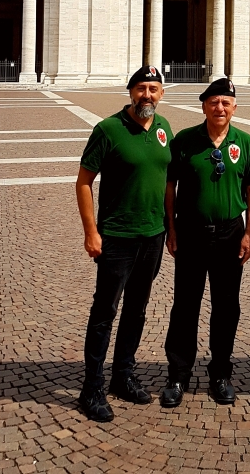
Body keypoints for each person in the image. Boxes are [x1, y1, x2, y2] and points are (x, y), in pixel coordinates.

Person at [75, 65, 173, 422]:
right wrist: (91, 231)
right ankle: (92, 386)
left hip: (153, 234)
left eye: (154, 89)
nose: (148, 95)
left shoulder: (163, 129)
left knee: (137, 308)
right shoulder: (108, 129)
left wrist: (170, 228)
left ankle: (123, 375)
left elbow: (166, 182)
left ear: (161, 94)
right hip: (117, 235)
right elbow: (84, 182)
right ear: (131, 92)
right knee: (105, 311)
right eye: (142, 89)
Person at [161, 78, 250, 408]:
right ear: (203, 105)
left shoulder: (245, 142)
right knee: (185, 305)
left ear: (234, 107)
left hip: (230, 233)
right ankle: (178, 373)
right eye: (214, 102)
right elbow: (170, 185)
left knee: (226, 307)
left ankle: (220, 372)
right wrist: (171, 228)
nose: (220, 108)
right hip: (190, 232)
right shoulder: (186, 140)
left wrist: (249, 231)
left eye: (226, 103)